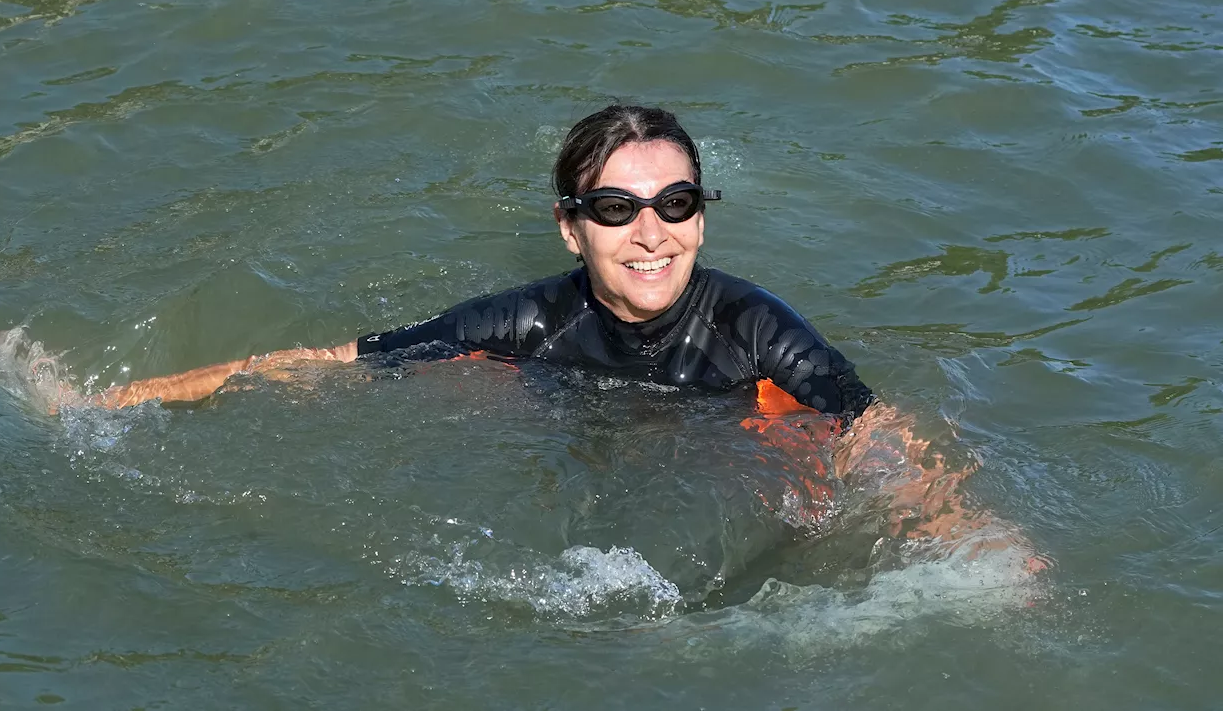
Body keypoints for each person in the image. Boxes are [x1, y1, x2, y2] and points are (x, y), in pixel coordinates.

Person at [82, 105, 1041, 560]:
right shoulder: (530, 319)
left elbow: (878, 430)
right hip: (576, 431)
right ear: (570, 226)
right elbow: (332, 363)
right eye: (617, 207)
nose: (651, 231)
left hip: (731, 446)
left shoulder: (756, 331)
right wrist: (110, 403)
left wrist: (980, 544)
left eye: (674, 201)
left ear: (703, 216)